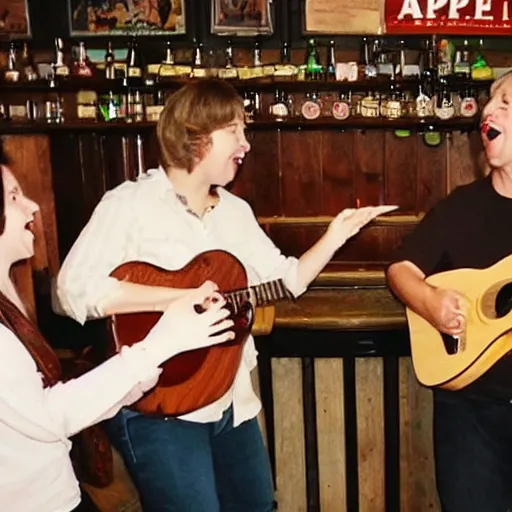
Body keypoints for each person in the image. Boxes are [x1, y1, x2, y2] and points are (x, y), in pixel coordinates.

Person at [56, 78, 394, 512]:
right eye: (235, 129)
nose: (246, 143)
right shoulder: (129, 204)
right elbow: (72, 290)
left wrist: (336, 235)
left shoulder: (236, 212)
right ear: (197, 134)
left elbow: (285, 281)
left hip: (232, 400)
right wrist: (174, 299)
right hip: (160, 409)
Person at [0, 142, 235, 512]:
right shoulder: (127, 202)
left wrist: (151, 359)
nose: (31, 206)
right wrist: (160, 345)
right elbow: (50, 417)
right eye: (14, 196)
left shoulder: (8, 300)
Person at [387, 71, 512, 512]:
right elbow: (401, 270)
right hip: (469, 413)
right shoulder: (460, 207)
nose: (488, 110)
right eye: (489, 100)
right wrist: (431, 303)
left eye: (506, 104)